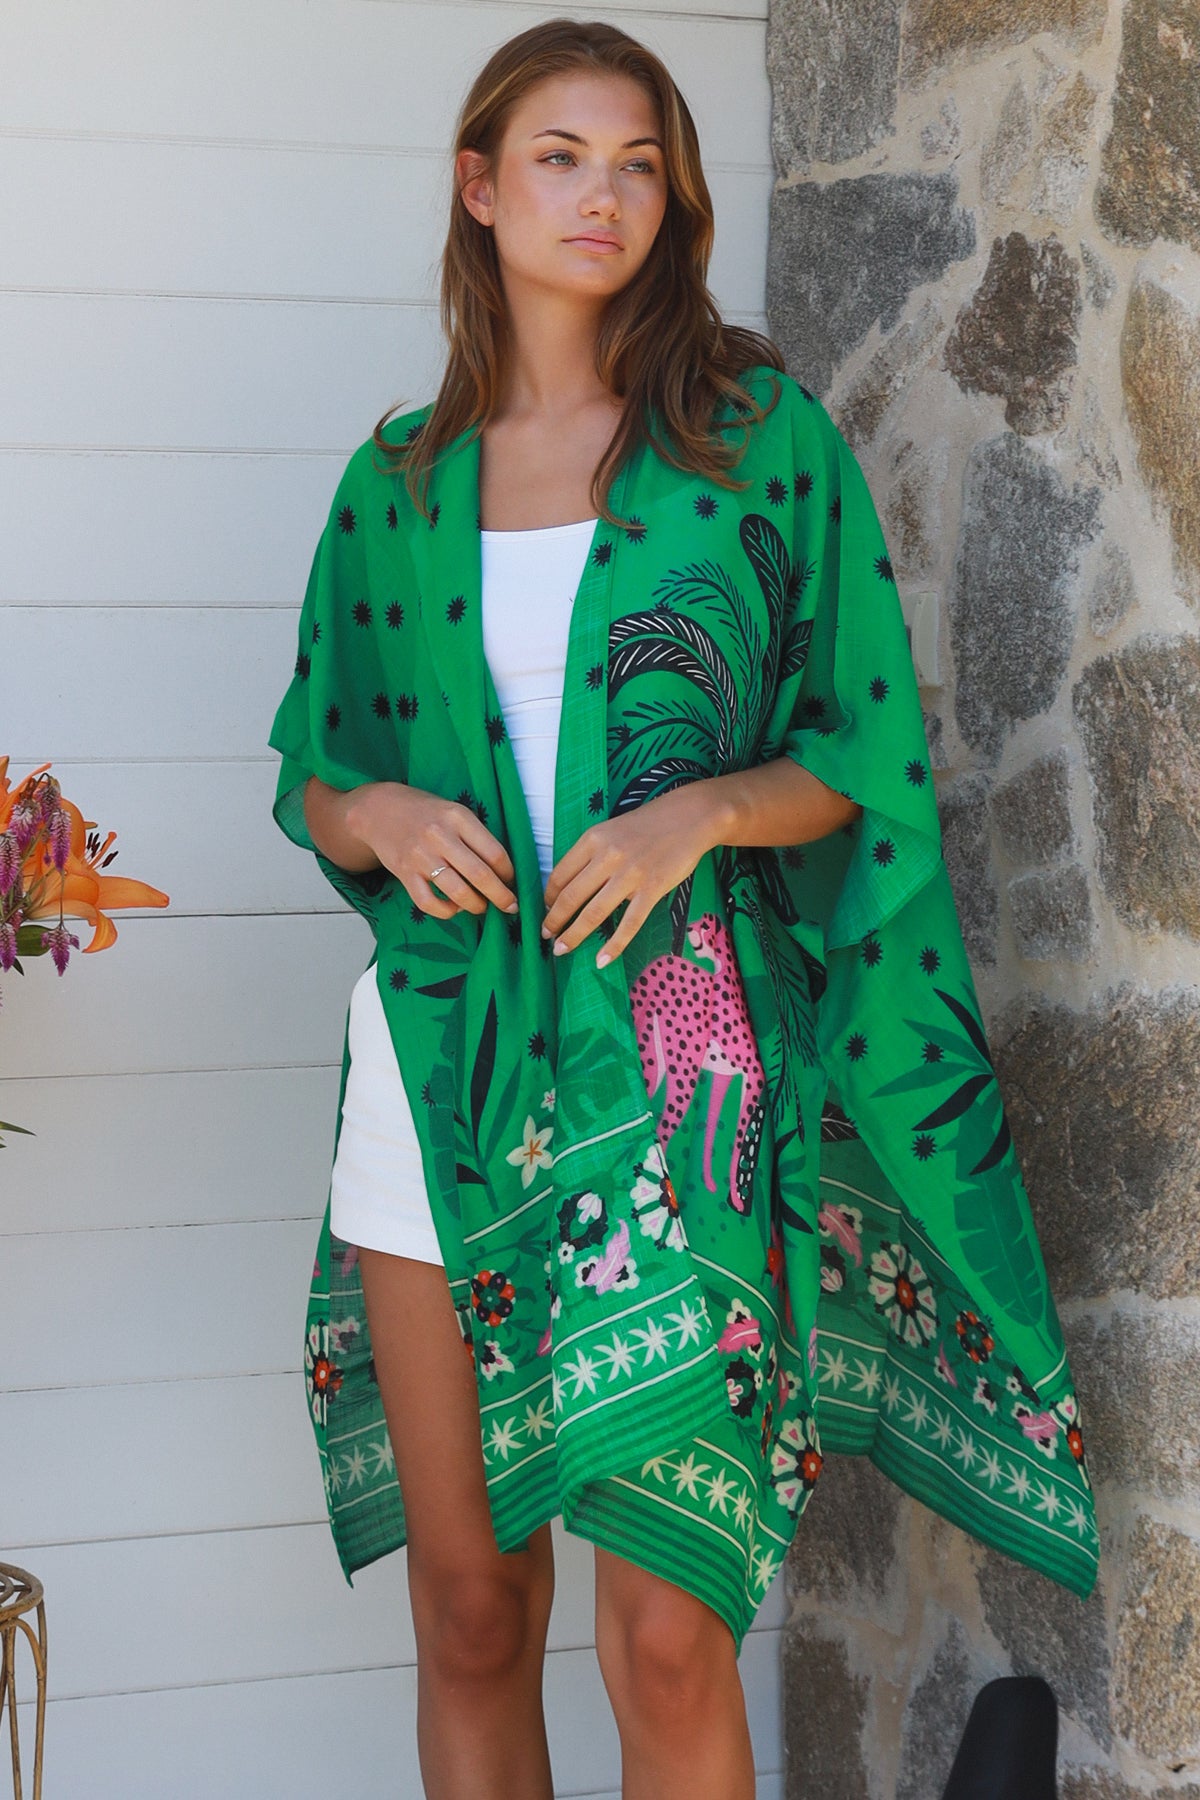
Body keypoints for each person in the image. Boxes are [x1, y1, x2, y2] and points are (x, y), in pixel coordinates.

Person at [267, 19, 1098, 1800]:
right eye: (560, 157)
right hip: (436, 1076)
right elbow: (315, 771)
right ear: (480, 189)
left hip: (681, 1078)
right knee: (471, 1612)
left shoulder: (754, 445)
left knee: (664, 1631)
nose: (605, 194)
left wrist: (701, 813)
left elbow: (859, 754)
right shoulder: (393, 483)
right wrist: (380, 811)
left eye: (640, 162)